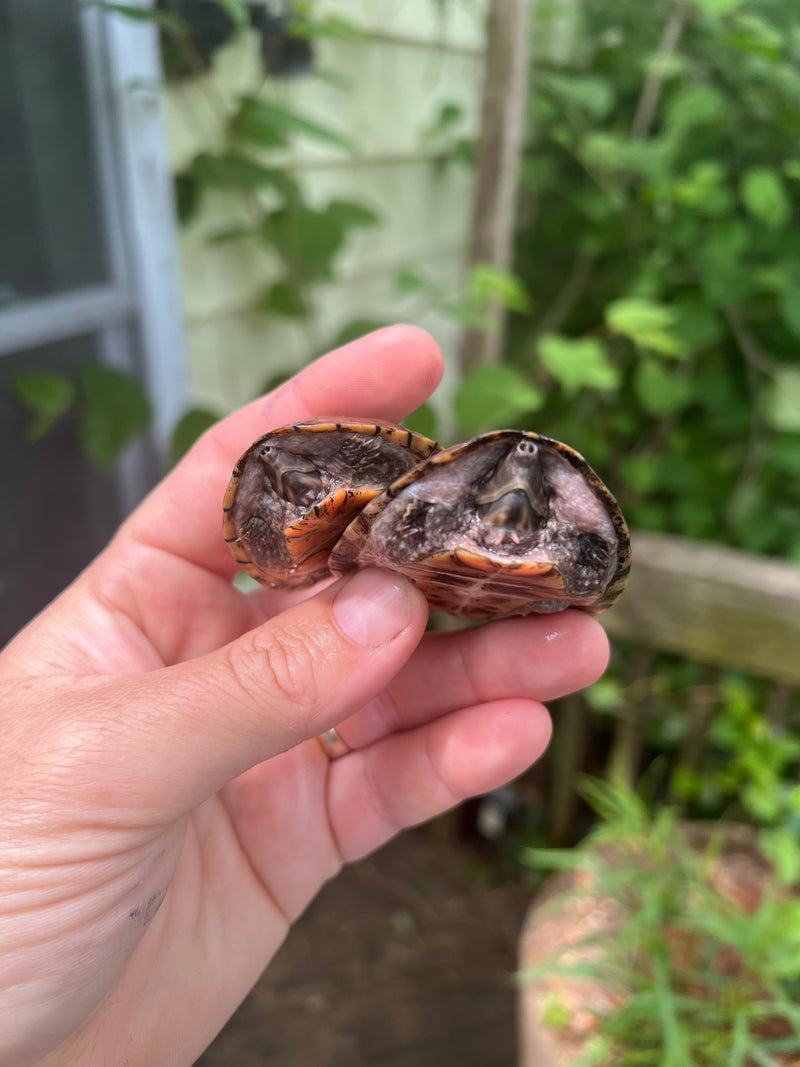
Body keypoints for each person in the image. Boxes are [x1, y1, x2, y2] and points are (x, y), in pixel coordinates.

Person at [0, 326, 609, 1066]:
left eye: (533, 478)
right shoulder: (396, 507)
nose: (522, 473)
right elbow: (293, 511)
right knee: (292, 462)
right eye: (505, 464)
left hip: (473, 585)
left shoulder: (528, 527)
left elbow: (595, 567)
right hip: (399, 565)